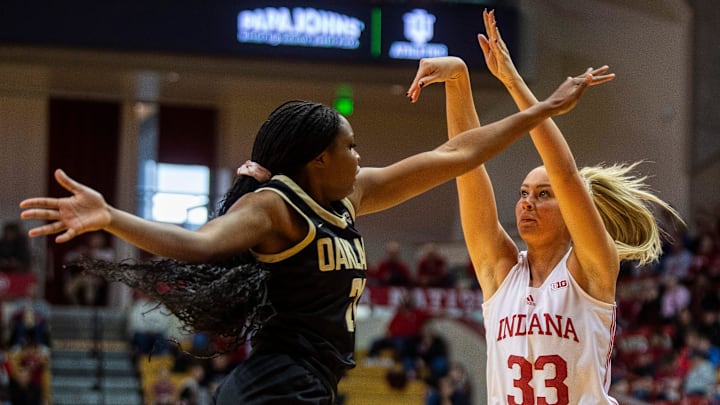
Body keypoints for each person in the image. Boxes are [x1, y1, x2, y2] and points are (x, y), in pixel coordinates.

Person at [20, 64, 603, 404]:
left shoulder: (353, 195)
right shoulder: (275, 209)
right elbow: (196, 243)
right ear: (319, 159)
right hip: (277, 385)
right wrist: (112, 217)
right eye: (349, 146)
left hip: (308, 384)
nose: (359, 153)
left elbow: (457, 154)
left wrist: (541, 110)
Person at [407, 9, 682, 404]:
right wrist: (457, 81)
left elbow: (566, 173)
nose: (527, 204)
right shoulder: (501, 273)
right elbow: (467, 170)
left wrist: (517, 84)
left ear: (572, 208)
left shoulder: (591, 268)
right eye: (522, 193)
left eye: (543, 194)